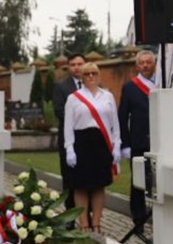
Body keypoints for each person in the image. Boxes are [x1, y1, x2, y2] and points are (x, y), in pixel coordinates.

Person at [62, 62, 123, 234]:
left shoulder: (107, 96)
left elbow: (114, 124)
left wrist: (116, 145)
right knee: (80, 186)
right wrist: (69, 149)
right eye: (87, 73)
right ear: (81, 77)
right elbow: (68, 126)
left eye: (94, 73)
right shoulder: (73, 98)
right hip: (81, 143)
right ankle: (84, 224)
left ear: (99, 75)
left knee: (99, 185)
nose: (90, 76)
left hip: (102, 142)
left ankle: (96, 223)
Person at [53, 53, 87, 192]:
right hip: (69, 137)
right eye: (73, 65)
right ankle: (71, 209)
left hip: (89, 138)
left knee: (88, 176)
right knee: (69, 176)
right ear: (68, 67)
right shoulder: (61, 87)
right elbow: (59, 111)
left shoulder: (94, 85)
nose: (76, 68)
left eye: (79, 64)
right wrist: (82, 118)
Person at [117, 49, 157, 162]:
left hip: (162, 141)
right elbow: (122, 117)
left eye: (148, 62)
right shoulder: (129, 87)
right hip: (138, 143)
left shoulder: (162, 84)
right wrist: (125, 144)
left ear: (155, 64)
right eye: (141, 63)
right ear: (136, 66)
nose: (145, 66)